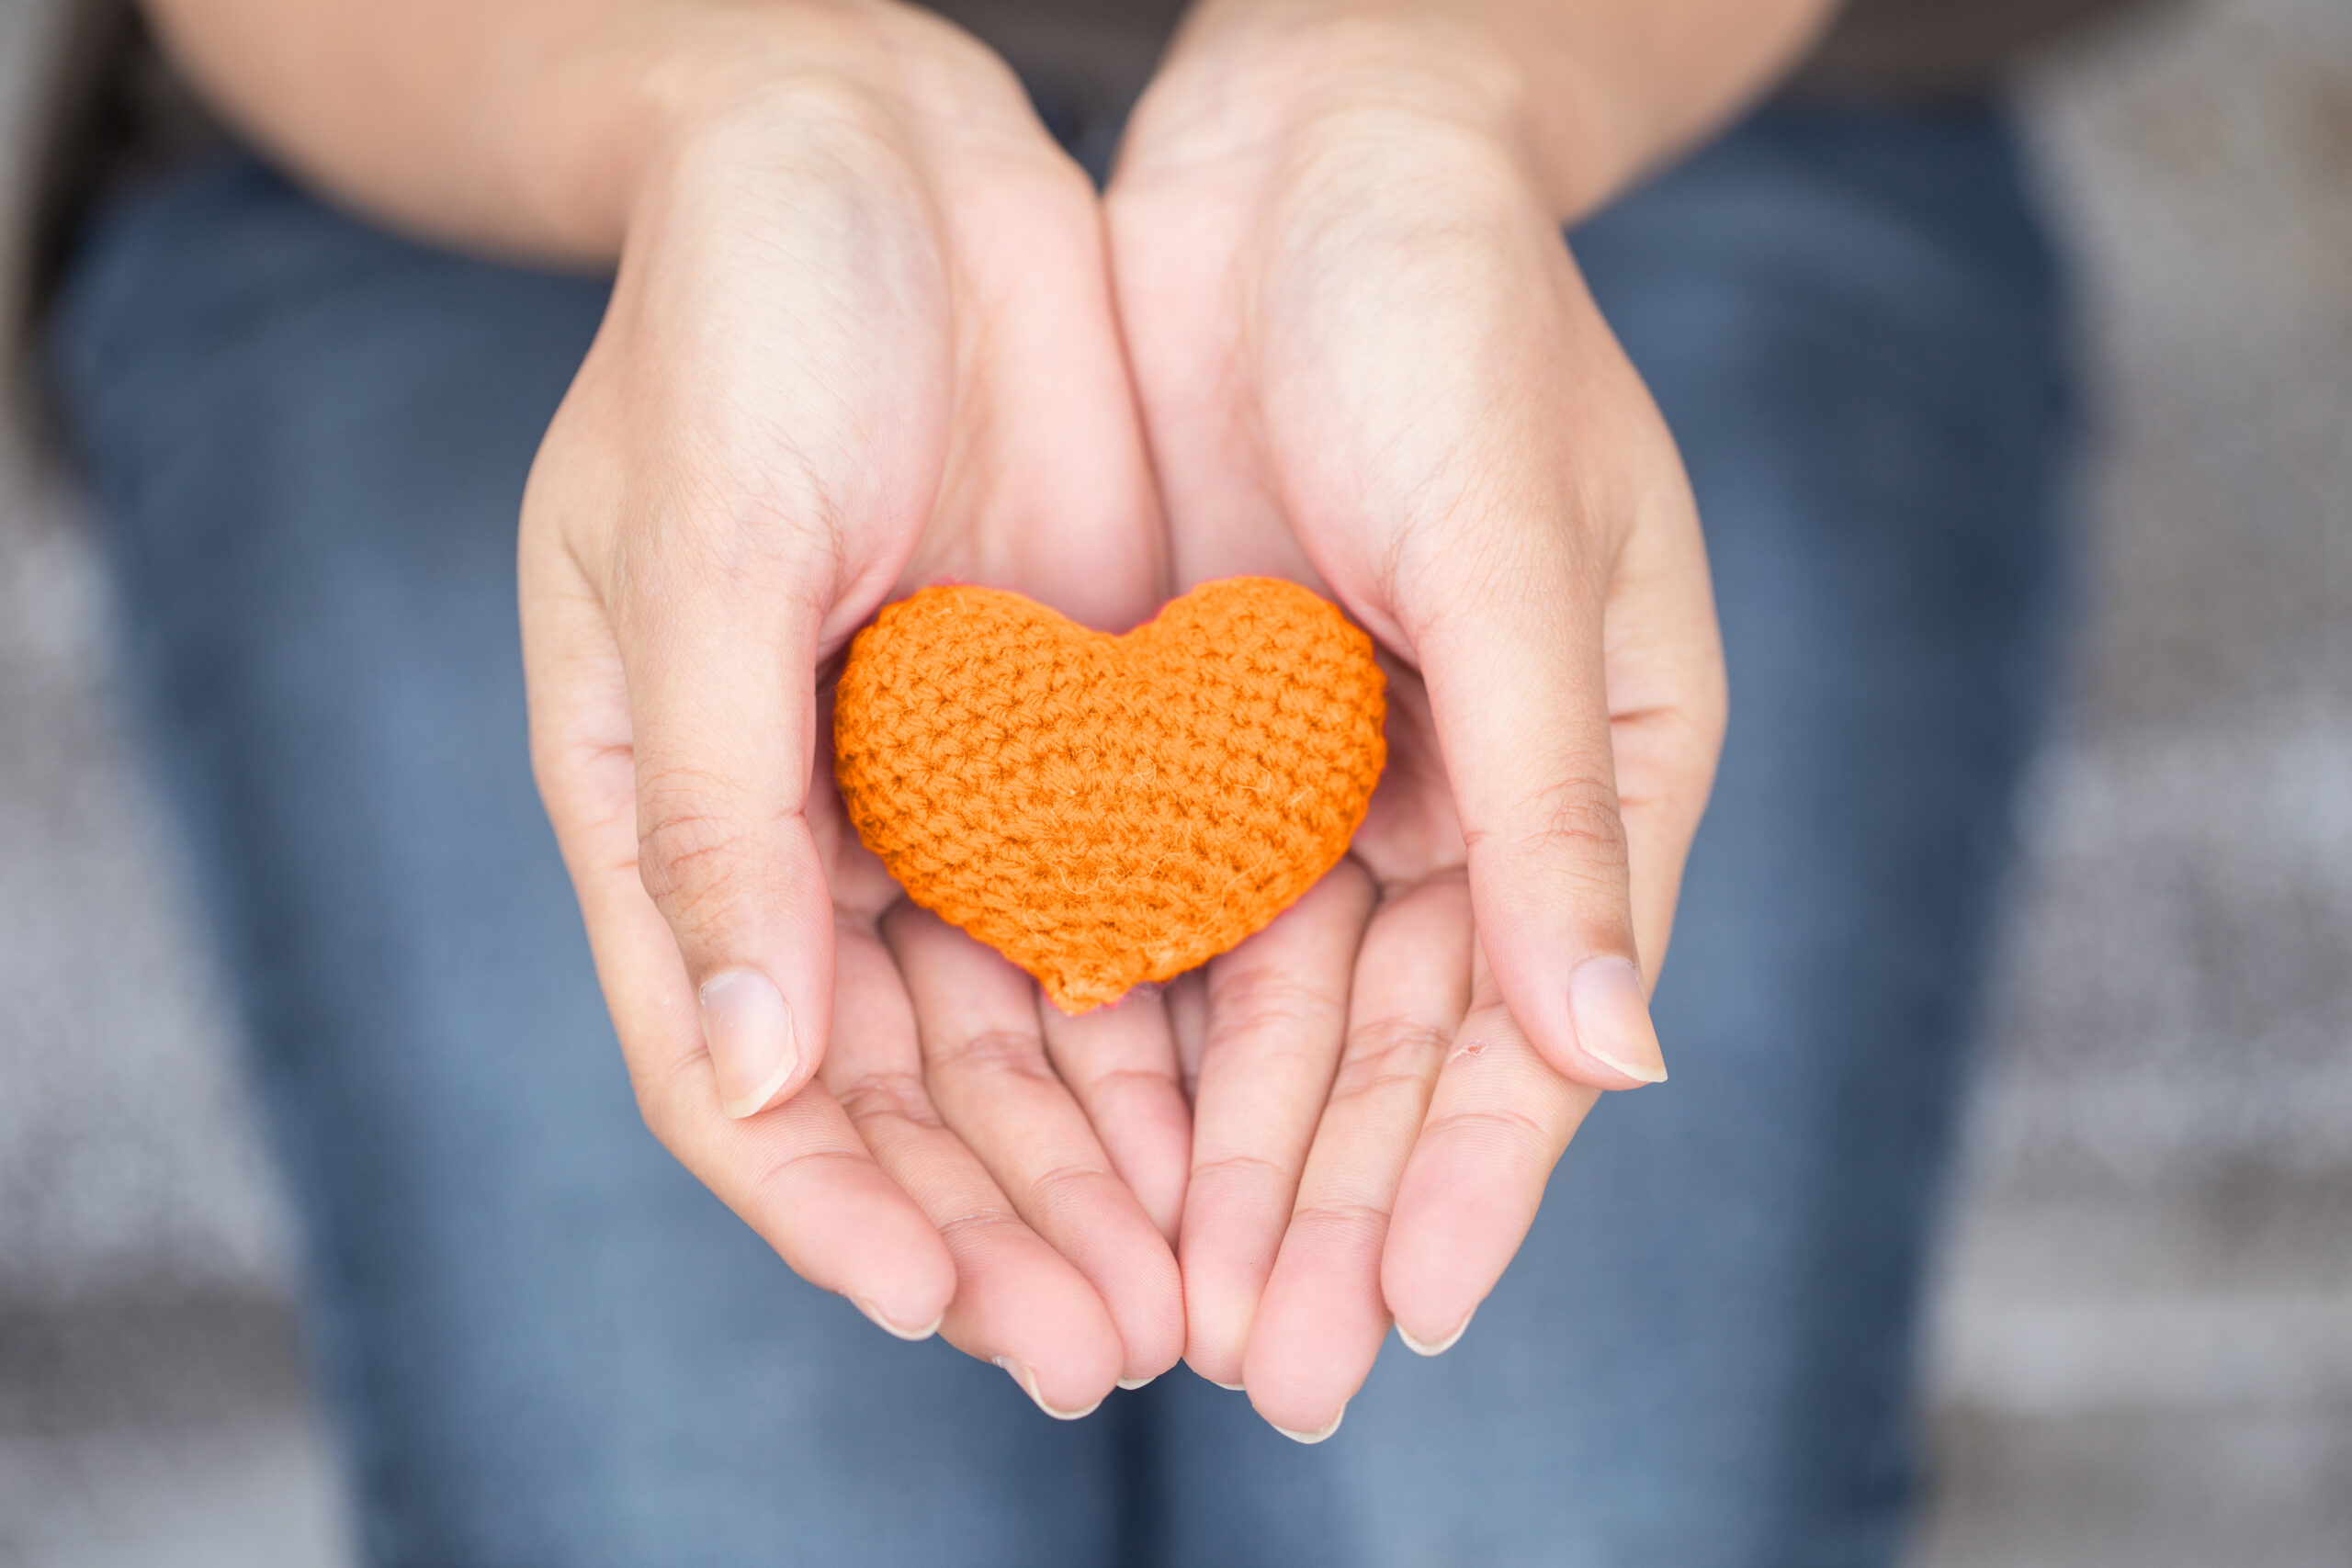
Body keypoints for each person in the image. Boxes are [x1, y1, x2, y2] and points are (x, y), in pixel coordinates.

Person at [23, 0, 2118, 1559]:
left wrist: (1433, 82)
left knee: (1560, 1507)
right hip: (471, 97)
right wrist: (720, 98)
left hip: (1651, 92)